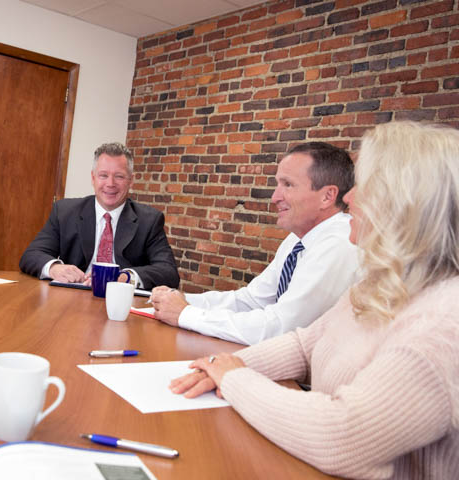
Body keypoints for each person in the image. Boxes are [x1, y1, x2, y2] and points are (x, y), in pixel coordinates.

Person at [172, 121, 459, 479]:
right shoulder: (383, 284)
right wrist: (219, 365)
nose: (350, 198)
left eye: (365, 186)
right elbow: (305, 344)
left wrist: (234, 379)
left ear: (408, 204)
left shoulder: (442, 326)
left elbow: (344, 434)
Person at [151, 142, 358, 345]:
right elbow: (251, 301)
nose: (275, 197)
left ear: (327, 196)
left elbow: (280, 328)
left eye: (288, 185)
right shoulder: (297, 239)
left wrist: (186, 314)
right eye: (277, 184)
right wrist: (181, 299)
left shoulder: (339, 244)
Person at [20, 142, 179, 290]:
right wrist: (55, 268)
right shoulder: (64, 212)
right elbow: (31, 255)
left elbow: (168, 272)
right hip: (72, 298)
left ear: (131, 181)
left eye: (119, 176)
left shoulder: (149, 220)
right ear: (93, 178)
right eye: (103, 175)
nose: (110, 184)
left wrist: (127, 277)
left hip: (121, 302)